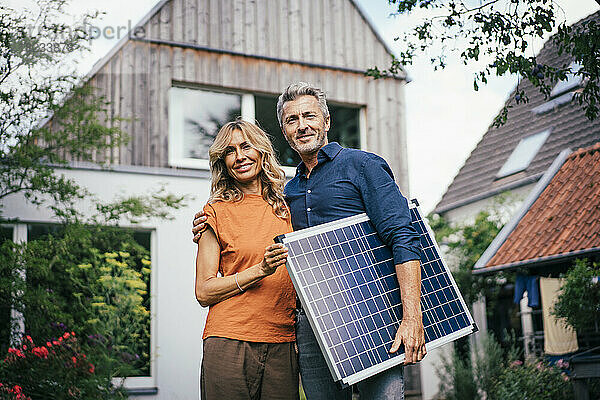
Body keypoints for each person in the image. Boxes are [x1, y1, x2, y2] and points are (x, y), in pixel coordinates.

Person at [193, 83, 426, 400]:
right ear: (285, 132)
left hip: (373, 318)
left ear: (326, 121)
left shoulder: (361, 166)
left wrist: (413, 318)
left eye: (309, 116)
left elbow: (403, 235)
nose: (302, 125)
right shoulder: (288, 194)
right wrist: (208, 227)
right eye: (292, 120)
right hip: (312, 329)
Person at [194, 119, 298, 400]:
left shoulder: (290, 207)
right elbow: (204, 291)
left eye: (246, 146)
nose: (239, 157)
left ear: (262, 151)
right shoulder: (215, 211)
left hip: (283, 342)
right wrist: (259, 270)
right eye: (229, 151)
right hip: (229, 339)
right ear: (223, 162)